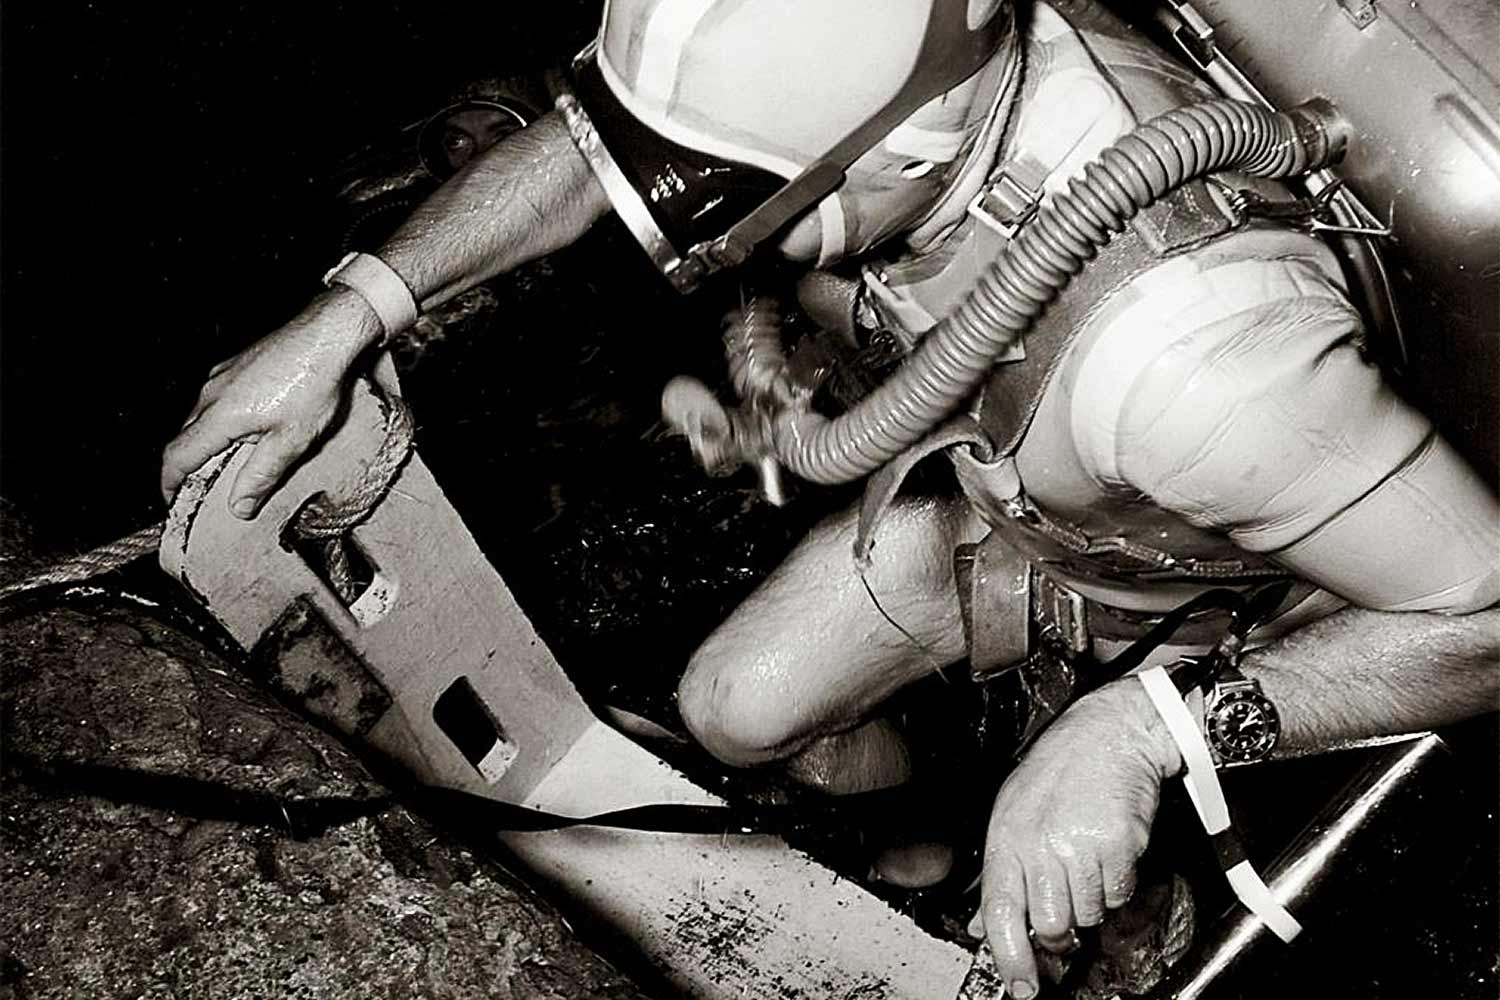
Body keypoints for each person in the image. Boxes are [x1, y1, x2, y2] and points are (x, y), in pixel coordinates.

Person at [161, 2, 1499, 998]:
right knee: (733, 711)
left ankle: (1134, 912)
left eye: (733, 203)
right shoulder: (872, 71)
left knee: (1082, 828)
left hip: (1210, 580)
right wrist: (350, 316)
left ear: (896, 161)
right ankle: (936, 833)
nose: (693, 246)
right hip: (1026, 507)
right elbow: (585, 150)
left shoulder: (1197, 372)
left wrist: (1142, 733)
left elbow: (1488, 621)